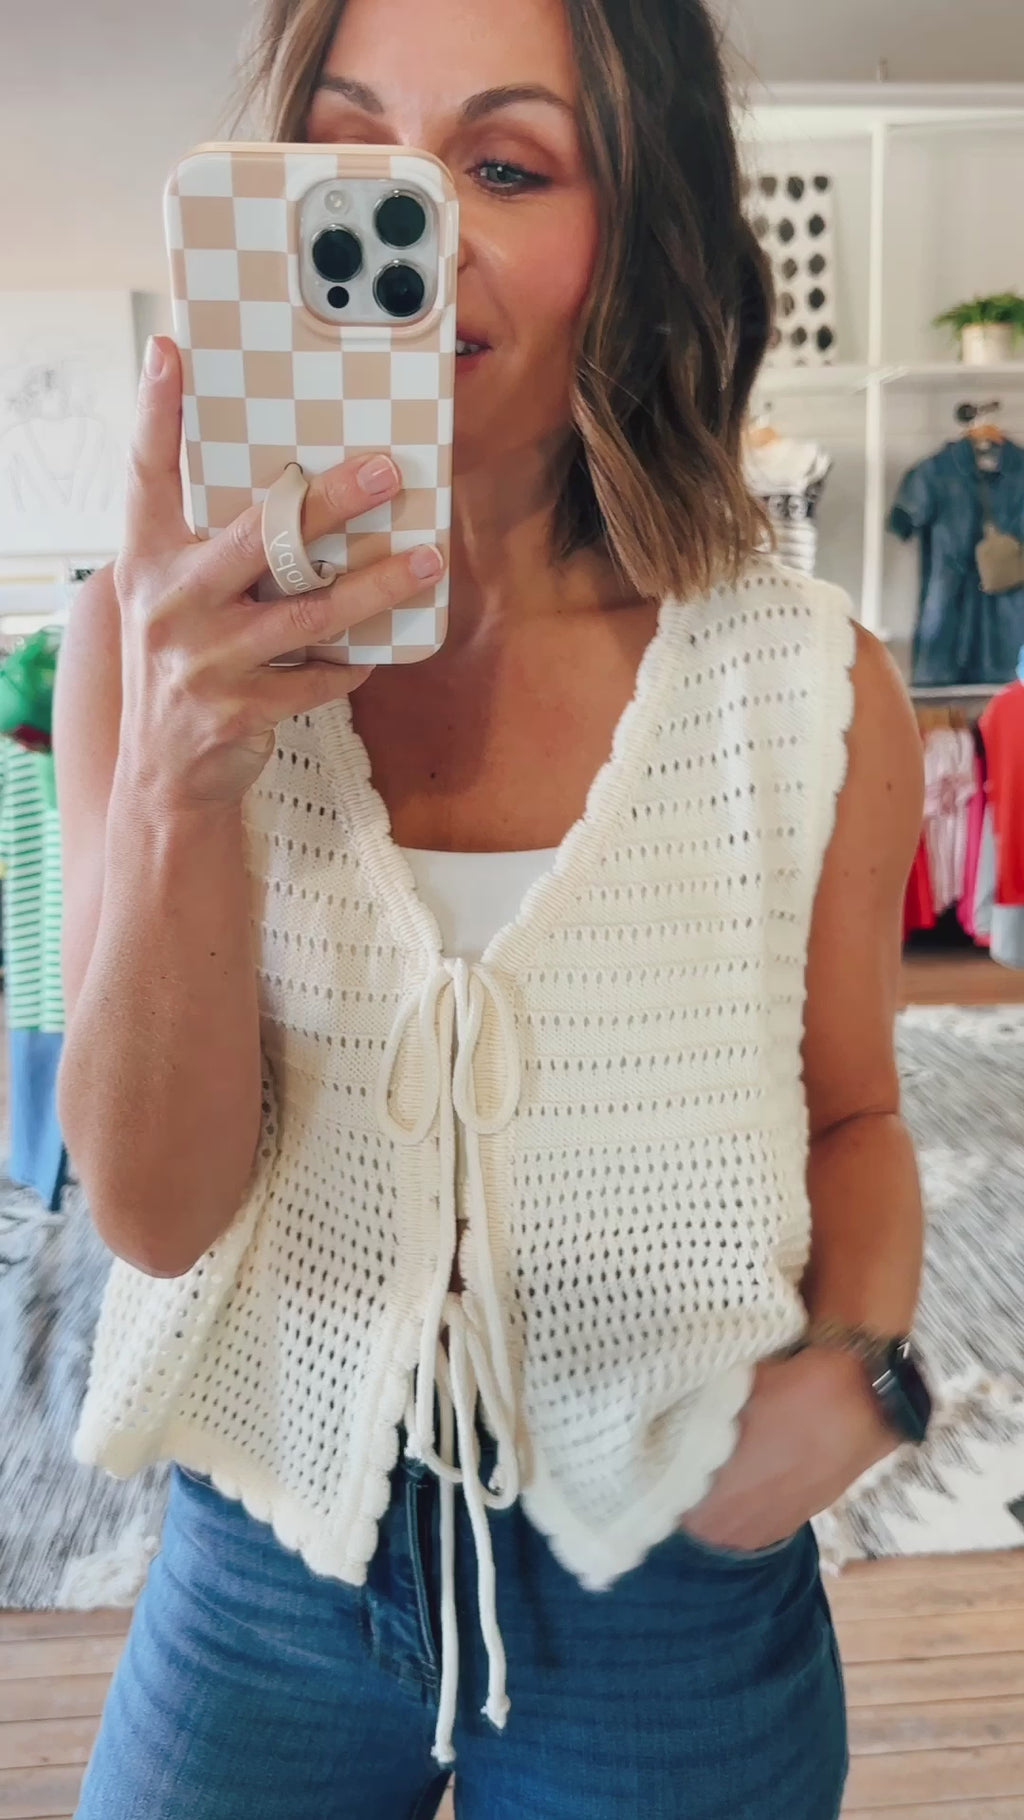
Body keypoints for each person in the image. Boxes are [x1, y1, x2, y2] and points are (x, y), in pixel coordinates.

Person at [57, 0, 927, 1813]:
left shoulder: (805, 686)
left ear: (642, 235)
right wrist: (178, 771)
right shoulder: (143, 650)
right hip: (267, 1551)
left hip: (668, 1586)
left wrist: (862, 1378)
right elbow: (151, 1210)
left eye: (506, 166)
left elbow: (854, 1113)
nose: (411, 230)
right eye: (348, 155)